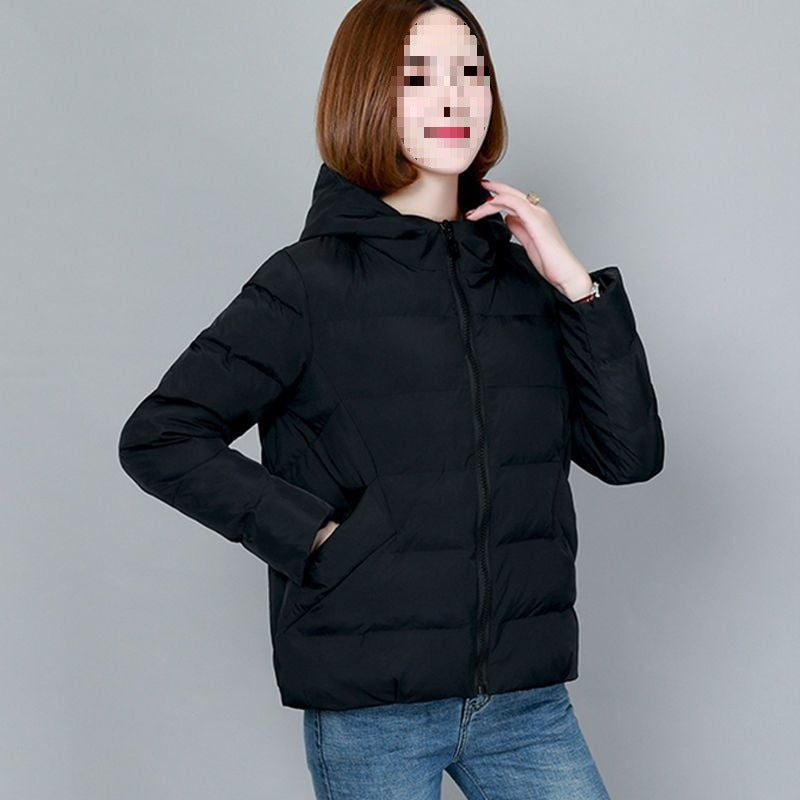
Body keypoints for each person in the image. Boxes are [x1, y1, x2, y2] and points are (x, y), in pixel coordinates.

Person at [118, 0, 664, 797]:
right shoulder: (307, 283)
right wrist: (316, 539)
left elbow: (629, 457)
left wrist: (578, 287)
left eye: (471, 71)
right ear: (366, 94)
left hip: (525, 699)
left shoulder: (523, 283)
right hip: (376, 705)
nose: (455, 97)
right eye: (420, 76)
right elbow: (160, 437)